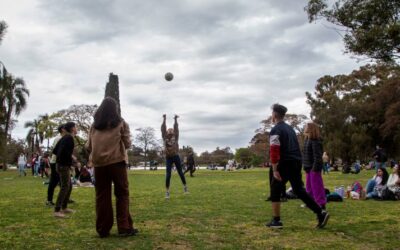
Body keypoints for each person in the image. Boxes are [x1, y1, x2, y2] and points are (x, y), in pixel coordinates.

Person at [266, 103, 329, 229]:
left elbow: (274, 150)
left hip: (284, 162)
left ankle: (276, 220)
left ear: (274, 115)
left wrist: (275, 169)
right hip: (296, 161)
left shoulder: (275, 130)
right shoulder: (290, 129)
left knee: (275, 189)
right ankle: (320, 212)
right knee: (299, 189)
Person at [86, 97, 138, 238]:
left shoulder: (94, 126)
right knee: (122, 194)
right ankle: (124, 227)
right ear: (115, 109)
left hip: (99, 164)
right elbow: (127, 143)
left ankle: (103, 229)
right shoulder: (121, 123)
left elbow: (88, 146)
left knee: (102, 195)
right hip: (117, 162)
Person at [53, 122, 77, 218]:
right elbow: (63, 152)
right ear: (72, 129)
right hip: (63, 166)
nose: (76, 128)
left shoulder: (64, 138)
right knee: (65, 187)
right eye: (75, 127)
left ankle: (64, 207)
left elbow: (55, 150)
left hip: (61, 165)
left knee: (69, 186)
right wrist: (70, 163)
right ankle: (57, 210)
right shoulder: (69, 138)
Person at [161, 114, 188, 199]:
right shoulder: (164, 136)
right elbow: (163, 128)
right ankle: (167, 192)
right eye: (169, 130)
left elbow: (176, 128)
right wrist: (164, 119)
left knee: (180, 172)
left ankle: (185, 187)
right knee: (168, 174)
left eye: (171, 130)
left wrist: (175, 119)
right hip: (168, 158)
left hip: (176, 156)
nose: (170, 130)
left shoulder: (176, 137)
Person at [303, 122, 327, 210]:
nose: (305, 128)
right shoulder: (307, 139)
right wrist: (305, 166)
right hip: (308, 167)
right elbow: (305, 154)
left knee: (317, 186)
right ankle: (310, 203)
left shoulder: (316, 140)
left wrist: (315, 168)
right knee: (309, 187)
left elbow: (317, 156)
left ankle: (321, 204)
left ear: (311, 129)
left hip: (314, 168)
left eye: (306, 126)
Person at [46, 124, 65, 206]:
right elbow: (56, 151)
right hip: (55, 163)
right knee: (54, 181)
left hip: (60, 162)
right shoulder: (59, 138)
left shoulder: (64, 138)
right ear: (63, 129)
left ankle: (65, 198)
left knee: (63, 182)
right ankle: (49, 200)